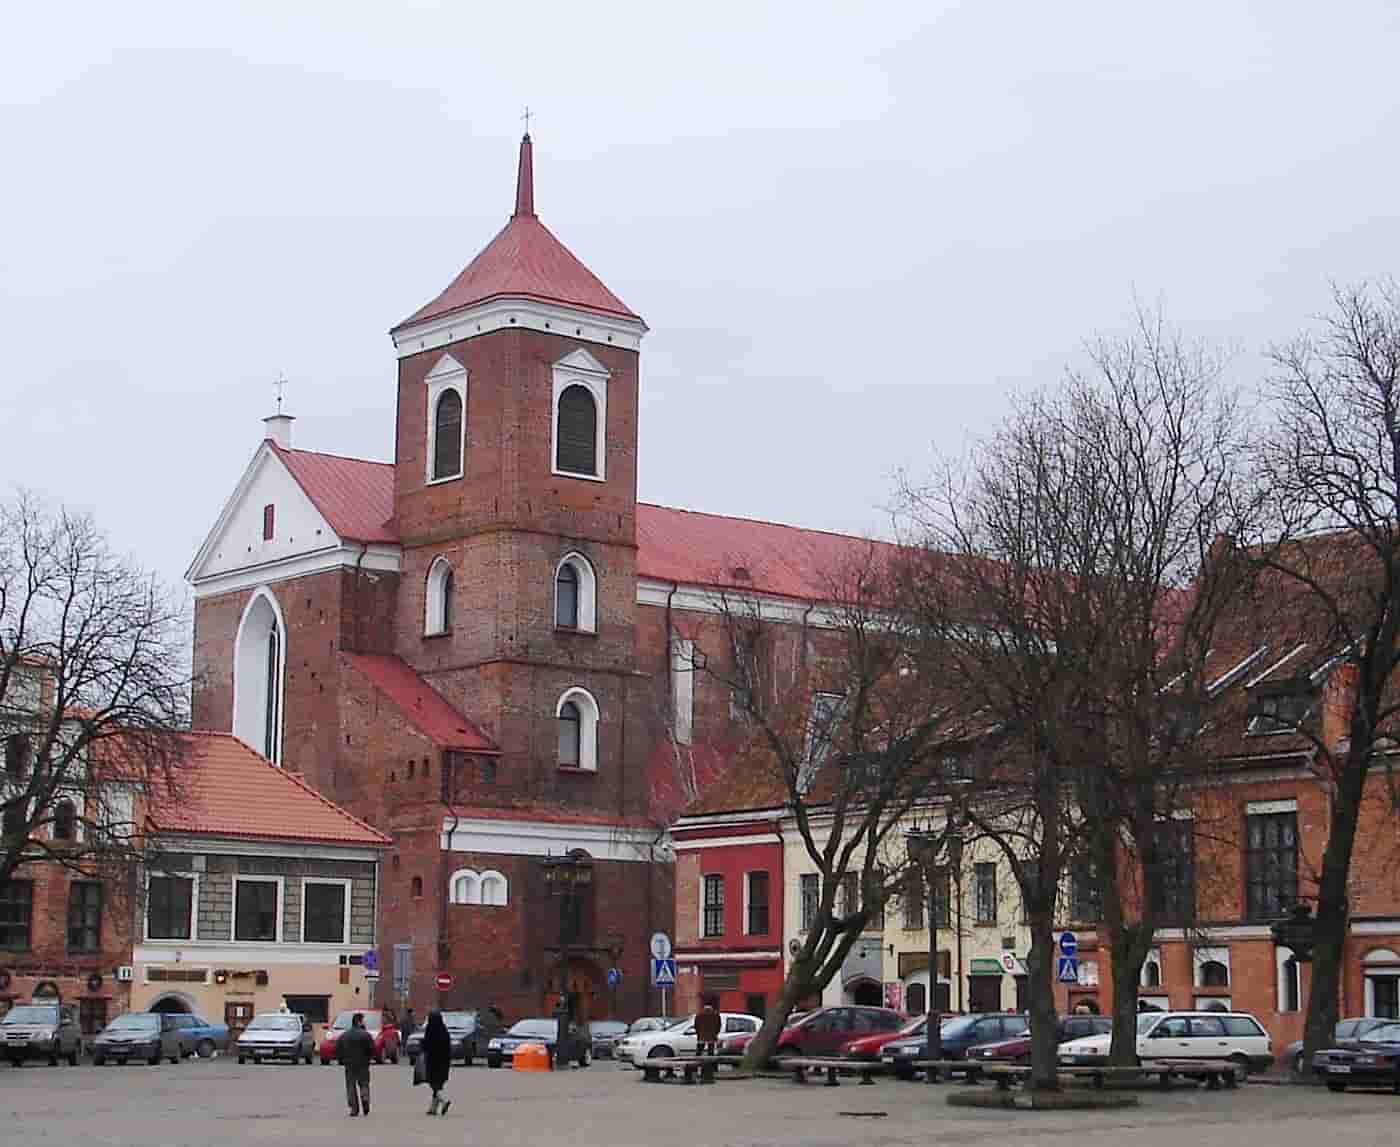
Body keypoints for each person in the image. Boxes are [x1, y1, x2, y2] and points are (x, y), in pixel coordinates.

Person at [337, 1012, 375, 1117]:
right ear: (359, 1022)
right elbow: (372, 1049)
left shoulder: (344, 1035)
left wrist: (341, 1060)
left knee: (351, 1086)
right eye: (363, 1021)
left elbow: (338, 1048)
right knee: (364, 1084)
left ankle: (354, 1108)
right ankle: (365, 1099)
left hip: (349, 1064)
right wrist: (369, 1058)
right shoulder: (366, 1035)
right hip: (363, 1064)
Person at [421, 1010, 452, 1116]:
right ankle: (433, 1109)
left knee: (434, 1084)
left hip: (433, 1063)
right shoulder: (444, 1031)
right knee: (438, 1085)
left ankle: (444, 1100)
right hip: (444, 1064)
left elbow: (426, 1046)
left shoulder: (430, 1031)